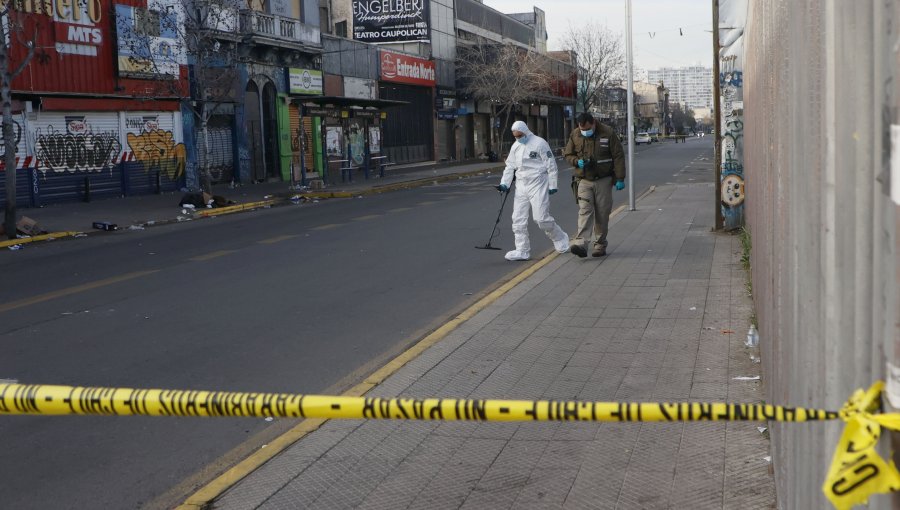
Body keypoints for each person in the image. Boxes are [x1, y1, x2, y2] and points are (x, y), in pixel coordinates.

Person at [495, 121, 570, 261]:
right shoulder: (516, 146)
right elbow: (510, 166)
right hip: (521, 186)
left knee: (541, 218)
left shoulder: (540, 143)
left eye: (520, 135)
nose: (518, 138)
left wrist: (553, 184)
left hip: (538, 183)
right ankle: (522, 250)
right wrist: (504, 183)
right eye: (515, 136)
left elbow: (551, 164)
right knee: (518, 219)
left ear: (525, 132)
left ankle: (560, 238)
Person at [564, 112, 626, 258]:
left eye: (586, 128)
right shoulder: (575, 134)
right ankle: (581, 243)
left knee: (602, 214)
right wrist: (575, 161)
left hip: (603, 179)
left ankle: (599, 244)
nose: (584, 131)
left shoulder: (608, 132)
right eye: (581, 129)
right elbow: (568, 154)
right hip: (584, 180)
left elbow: (618, 155)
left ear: (593, 123)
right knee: (584, 210)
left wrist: (620, 178)